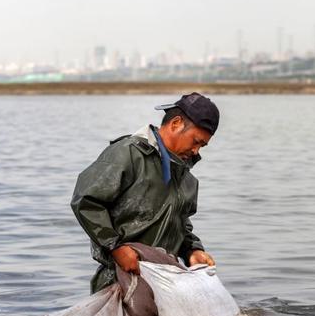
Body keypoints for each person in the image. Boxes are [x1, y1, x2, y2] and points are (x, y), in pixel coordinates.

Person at [71, 92, 219, 293]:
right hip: (118, 280)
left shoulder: (187, 178)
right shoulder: (128, 154)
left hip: (165, 284)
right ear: (175, 124)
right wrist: (116, 248)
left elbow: (180, 225)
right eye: (196, 141)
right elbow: (86, 201)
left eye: (202, 145)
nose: (196, 151)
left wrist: (192, 250)